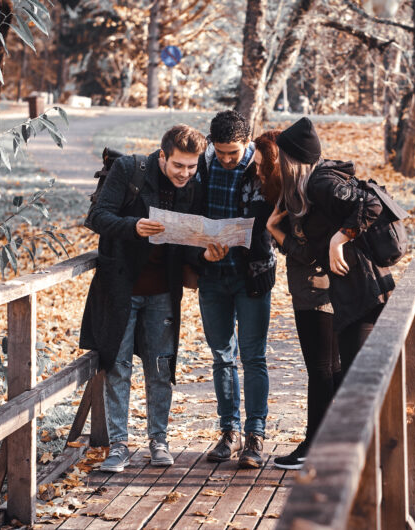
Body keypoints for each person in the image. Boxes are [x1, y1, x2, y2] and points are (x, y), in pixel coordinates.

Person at [79, 124, 227, 473]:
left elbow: (188, 245)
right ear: (163, 156)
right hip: (120, 290)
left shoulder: (194, 188)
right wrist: (134, 227)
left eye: (192, 167)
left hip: (163, 292)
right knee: (117, 365)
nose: (185, 174)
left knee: (161, 367)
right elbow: (97, 217)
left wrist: (205, 257)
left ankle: (158, 441)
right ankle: (118, 445)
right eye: (179, 166)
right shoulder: (129, 169)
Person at [187, 110, 276, 469]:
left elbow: (273, 219)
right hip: (212, 275)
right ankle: (229, 432)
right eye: (220, 151)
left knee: (254, 357)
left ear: (247, 142)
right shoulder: (202, 166)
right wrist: (201, 252)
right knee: (222, 356)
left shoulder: (263, 167)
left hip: (252, 276)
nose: (226, 159)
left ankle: (255, 435)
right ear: (212, 144)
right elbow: (190, 218)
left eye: (233, 152)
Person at [275, 117, 395, 377]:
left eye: (281, 156)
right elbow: (311, 253)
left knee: (357, 381)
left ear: (292, 158)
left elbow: (372, 204)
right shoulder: (314, 185)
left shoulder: (321, 183)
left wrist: (338, 239)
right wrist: (276, 231)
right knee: (352, 378)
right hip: (352, 293)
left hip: (363, 293)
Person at [255, 131, 341, 470]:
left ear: (282, 163)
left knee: (321, 369)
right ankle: (328, 441)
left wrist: (276, 232)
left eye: (263, 168)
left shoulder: (306, 193)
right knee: (331, 368)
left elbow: (309, 252)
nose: (259, 173)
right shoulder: (300, 189)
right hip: (322, 290)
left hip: (317, 292)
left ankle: (313, 445)